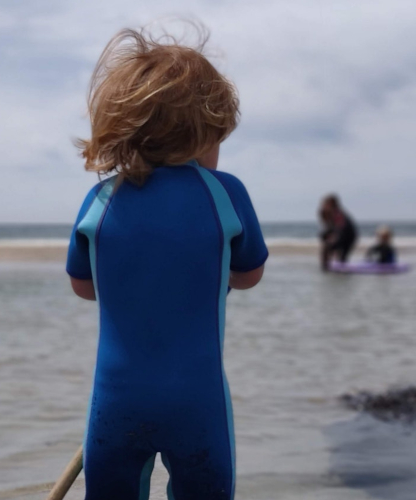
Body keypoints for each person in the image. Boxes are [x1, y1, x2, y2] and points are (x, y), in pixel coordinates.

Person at [66, 27, 267, 500]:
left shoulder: (100, 199)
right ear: (202, 135)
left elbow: (85, 286)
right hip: (196, 402)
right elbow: (249, 274)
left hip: (116, 402)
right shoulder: (225, 193)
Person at [319, 194, 358, 271]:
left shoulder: (338, 213)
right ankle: (327, 268)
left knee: (340, 257)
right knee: (324, 239)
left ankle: (330, 269)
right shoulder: (326, 213)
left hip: (348, 236)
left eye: (326, 204)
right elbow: (328, 228)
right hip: (342, 235)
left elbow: (340, 228)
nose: (324, 205)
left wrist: (333, 238)